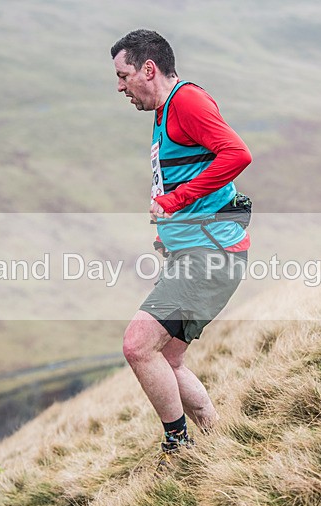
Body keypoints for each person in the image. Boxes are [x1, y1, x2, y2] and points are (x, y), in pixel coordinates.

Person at [110, 29, 253, 470]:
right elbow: (188, 173)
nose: (120, 87)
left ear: (148, 69)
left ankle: (178, 448)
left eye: (123, 75)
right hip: (196, 252)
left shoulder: (187, 101)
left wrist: (175, 201)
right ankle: (216, 437)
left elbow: (237, 154)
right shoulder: (164, 113)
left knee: (137, 346)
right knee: (169, 359)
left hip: (210, 255)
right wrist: (169, 231)